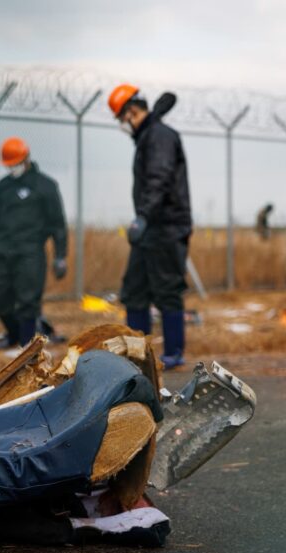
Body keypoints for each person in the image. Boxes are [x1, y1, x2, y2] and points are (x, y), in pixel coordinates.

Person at [108, 84, 191, 370]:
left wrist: (142, 216)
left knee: (167, 290)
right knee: (135, 291)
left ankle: (173, 354)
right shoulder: (149, 136)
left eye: (122, 119)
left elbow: (159, 178)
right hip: (150, 229)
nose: (123, 126)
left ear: (132, 112)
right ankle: (137, 354)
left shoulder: (159, 136)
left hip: (166, 228)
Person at [0, 137, 68, 348]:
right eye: (9, 164)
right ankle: (14, 334)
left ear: (26, 158)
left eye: (15, 162)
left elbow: (58, 224)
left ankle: (26, 345)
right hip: (3, 250)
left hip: (31, 252)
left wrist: (60, 256)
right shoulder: (3, 186)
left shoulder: (45, 186)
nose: (12, 167)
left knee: (28, 301)